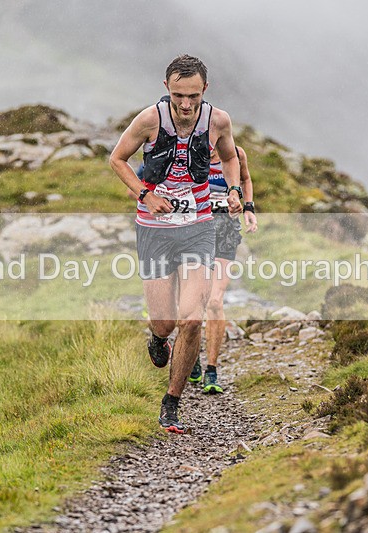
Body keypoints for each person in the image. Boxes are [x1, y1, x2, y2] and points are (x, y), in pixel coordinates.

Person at [110, 55, 243, 433]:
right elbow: (117, 159)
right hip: (154, 229)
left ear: (206, 90)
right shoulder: (149, 120)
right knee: (166, 322)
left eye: (193, 96)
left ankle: (172, 402)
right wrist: (145, 194)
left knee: (191, 317)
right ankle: (156, 338)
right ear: (166, 87)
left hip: (199, 227)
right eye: (178, 95)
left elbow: (231, 157)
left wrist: (233, 190)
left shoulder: (218, 121)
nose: (185, 105)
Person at [188, 145, 258, 393]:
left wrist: (248, 208)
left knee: (215, 301)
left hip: (226, 230)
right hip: (194, 229)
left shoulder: (236, 153)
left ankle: (212, 371)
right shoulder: (188, 151)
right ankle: (190, 355)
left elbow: (246, 178)